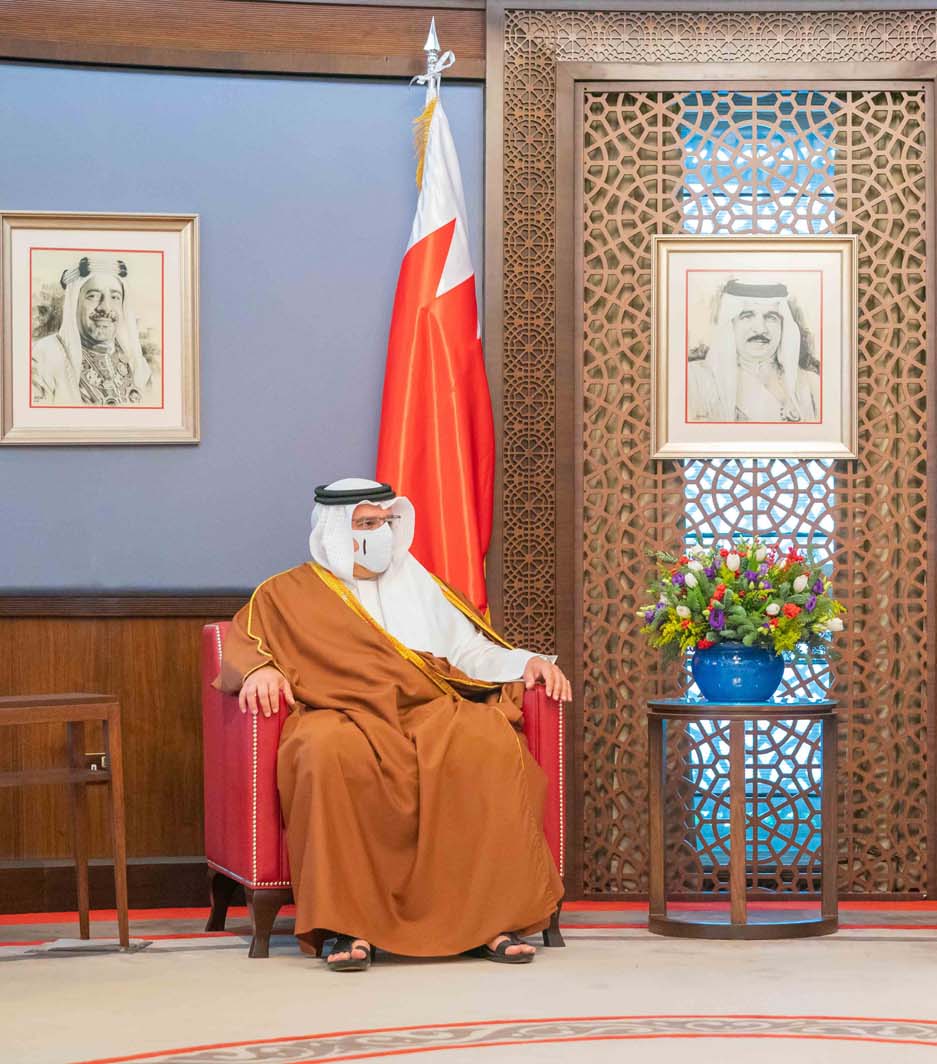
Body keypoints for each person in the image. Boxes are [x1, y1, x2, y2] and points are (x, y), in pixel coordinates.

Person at [214, 478, 571, 972]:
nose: (380, 532)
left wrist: (527, 662)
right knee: (323, 750)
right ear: (335, 530)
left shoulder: (422, 584)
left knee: (487, 740)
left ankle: (490, 921)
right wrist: (261, 670)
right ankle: (348, 927)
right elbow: (246, 644)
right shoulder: (287, 594)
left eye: (385, 522)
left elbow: (469, 652)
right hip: (340, 711)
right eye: (366, 524)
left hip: (428, 707)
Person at [687, 279, 820, 423]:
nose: (760, 328)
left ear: (783, 326)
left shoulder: (811, 384)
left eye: (771, 317)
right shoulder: (695, 379)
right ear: (730, 324)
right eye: (747, 316)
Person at [31, 257, 154, 406]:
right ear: (74, 303)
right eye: (93, 296)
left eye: (115, 297)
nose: (105, 308)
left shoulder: (138, 366)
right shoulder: (44, 357)